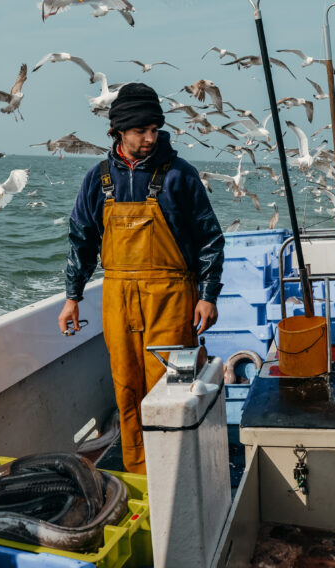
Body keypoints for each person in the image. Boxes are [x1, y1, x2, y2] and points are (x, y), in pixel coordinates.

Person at [58, 83, 224, 474]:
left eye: (155, 129)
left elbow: (210, 238)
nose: (150, 138)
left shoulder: (180, 176)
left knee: (170, 386)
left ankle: (179, 472)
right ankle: (140, 472)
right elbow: (82, 238)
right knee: (126, 385)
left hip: (171, 296)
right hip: (118, 297)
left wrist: (208, 294)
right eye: (140, 131)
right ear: (118, 130)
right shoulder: (98, 180)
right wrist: (72, 296)